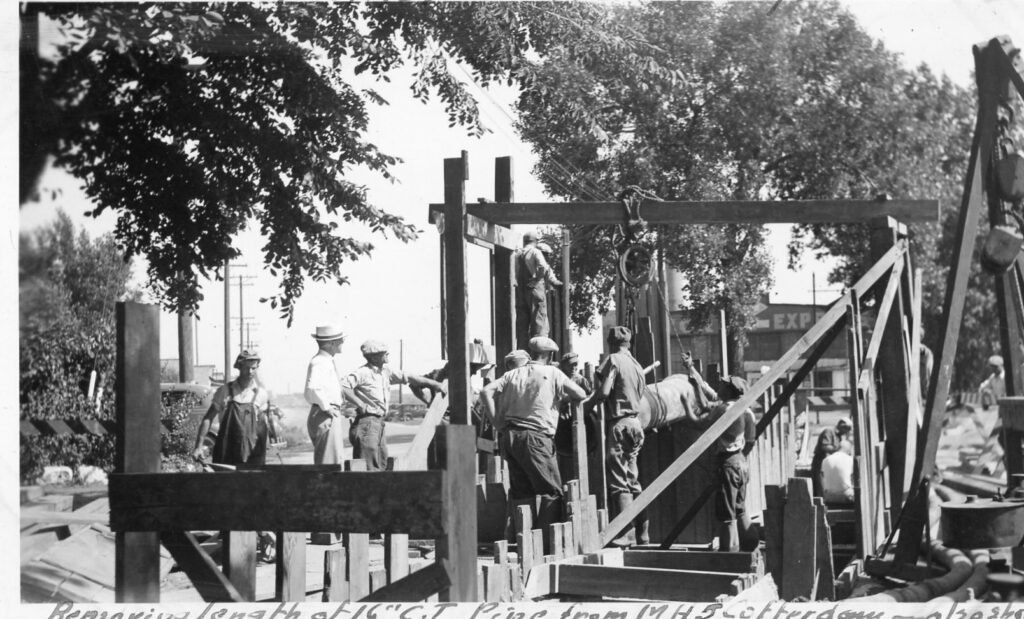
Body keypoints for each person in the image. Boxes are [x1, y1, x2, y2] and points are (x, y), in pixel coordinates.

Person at [480, 336, 587, 550]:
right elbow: (580, 393)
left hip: (510, 437)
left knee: (522, 492)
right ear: (549, 355)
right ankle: (545, 545)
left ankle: (524, 542)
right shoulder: (552, 372)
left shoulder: (511, 374)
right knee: (552, 492)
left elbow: (485, 392)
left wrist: (497, 423)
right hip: (536, 437)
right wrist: (559, 397)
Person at [684, 368, 757, 553]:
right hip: (741, 462)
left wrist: (686, 404)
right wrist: (696, 381)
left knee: (727, 515)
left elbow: (698, 422)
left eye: (723, 386)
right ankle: (751, 548)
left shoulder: (723, 409)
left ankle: (728, 557)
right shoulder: (747, 411)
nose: (719, 388)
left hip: (728, 464)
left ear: (730, 391)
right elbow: (750, 442)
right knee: (740, 509)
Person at [345, 340, 446, 470]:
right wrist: (360, 403)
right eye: (383, 353)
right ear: (374, 357)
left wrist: (435, 384)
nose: (387, 354)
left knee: (382, 463)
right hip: (367, 421)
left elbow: (408, 377)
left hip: (378, 422)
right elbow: (344, 386)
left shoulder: (385, 372)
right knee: (368, 466)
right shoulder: (363, 372)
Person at [591, 326, 648, 546]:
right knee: (633, 480)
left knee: (619, 482)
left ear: (610, 343)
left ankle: (627, 532)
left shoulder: (613, 360)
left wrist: (588, 405)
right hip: (636, 424)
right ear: (629, 344)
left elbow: (605, 392)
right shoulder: (637, 365)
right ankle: (643, 533)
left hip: (620, 425)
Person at [193, 350, 275, 466]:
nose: (250, 372)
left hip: (252, 456)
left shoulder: (261, 394)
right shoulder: (224, 391)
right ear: (239, 367)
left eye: (253, 368)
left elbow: (263, 427)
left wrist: (262, 453)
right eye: (246, 368)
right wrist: (198, 446)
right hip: (226, 453)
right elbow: (208, 418)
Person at [304, 324, 351, 465]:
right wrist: (327, 407)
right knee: (329, 462)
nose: (342, 342)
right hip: (325, 413)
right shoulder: (319, 362)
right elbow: (313, 387)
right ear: (331, 343)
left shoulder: (326, 361)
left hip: (327, 412)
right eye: (340, 340)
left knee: (333, 459)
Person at [517, 231, 562, 338]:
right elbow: (543, 268)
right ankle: (538, 350)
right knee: (539, 325)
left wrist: (561, 284)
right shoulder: (535, 254)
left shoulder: (518, 254)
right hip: (536, 296)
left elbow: (553, 280)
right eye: (545, 254)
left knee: (524, 324)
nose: (547, 257)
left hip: (524, 294)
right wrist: (537, 279)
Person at [810, 417, 850, 498]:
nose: (847, 432)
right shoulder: (829, 431)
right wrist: (839, 450)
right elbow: (825, 447)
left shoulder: (838, 436)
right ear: (842, 426)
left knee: (828, 487)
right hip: (820, 462)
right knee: (820, 487)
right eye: (847, 429)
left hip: (829, 464)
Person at [820, 439, 855, 505]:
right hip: (846, 496)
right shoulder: (850, 459)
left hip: (828, 497)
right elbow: (854, 479)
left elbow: (822, 478)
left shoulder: (825, 460)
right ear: (849, 450)